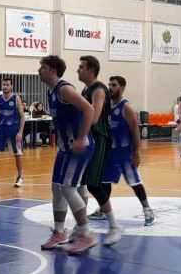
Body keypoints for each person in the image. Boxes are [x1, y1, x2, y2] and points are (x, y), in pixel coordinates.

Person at [38, 55, 96, 254]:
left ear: (53, 70)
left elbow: (89, 110)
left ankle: (86, 234)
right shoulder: (52, 91)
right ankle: (59, 232)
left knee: (68, 189)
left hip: (79, 147)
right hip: (64, 149)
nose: (39, 70)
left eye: (43, 67)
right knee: (57, 188)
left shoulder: (65, 89)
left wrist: (80, 138)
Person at [78, 55, 121, 245]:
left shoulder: (99, 90)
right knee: (79, 184)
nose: (78, 70)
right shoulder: (85, 89)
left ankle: (114, 226)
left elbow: (94, 118)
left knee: (94, 184)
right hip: (87, 139)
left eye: (81, 67)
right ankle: (80, 228)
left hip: (99, 138)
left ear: (90, 70)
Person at [101, 75, 154, 226]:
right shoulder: (107, 106)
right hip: (110, 152)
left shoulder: (126, 107)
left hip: (125, 153)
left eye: (114, 85)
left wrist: (136, 153)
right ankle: (103, 210)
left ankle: (147, 209)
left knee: (134, 182)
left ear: (122, 88)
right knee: (105, 181)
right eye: (109, 85)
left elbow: (135, 131)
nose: (110, 88)